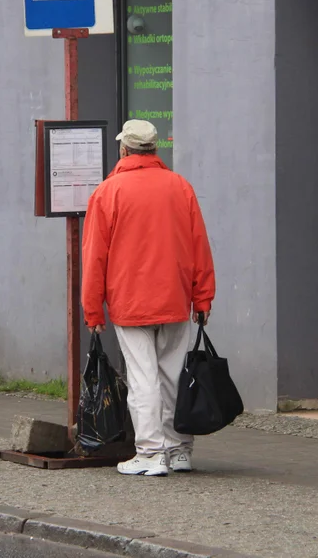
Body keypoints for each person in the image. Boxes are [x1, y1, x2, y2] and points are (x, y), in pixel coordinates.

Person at [81, 119, 215, 477]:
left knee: (143, 379)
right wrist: (202, 299)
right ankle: (179, 449)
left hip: (130, 302)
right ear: (155, 150)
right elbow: (199, 246)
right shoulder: (179, 187)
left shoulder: (108, 193)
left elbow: (95, 256)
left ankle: (151, 453)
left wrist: (93, 309)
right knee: (174, 375)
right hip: (174, 299)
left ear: (124, 149)